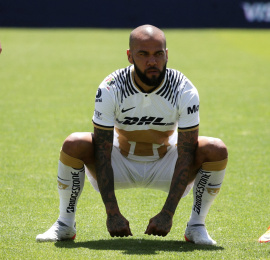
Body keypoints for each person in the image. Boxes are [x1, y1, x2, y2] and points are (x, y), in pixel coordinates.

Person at [36, 25, 228, 245]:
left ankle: (196, 226)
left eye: (158, 54)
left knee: (216, 149)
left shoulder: (184, 89)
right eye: (143, 54)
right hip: (120, 163)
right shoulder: (111, 87)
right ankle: (65, 224)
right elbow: (102, 150)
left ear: (167, 55)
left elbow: (186, 154)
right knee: (74, 143)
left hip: (166, 163)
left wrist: (168, 213)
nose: (152, 61)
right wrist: (112, 213)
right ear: (130, 56)